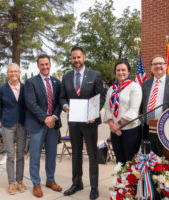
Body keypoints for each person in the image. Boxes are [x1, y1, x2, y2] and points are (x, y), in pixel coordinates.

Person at [60, 46, 105, 200]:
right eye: (73, 57)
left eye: (78, 57)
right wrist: (65, 106)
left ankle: (94, 187)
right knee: (76, 155)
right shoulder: (66, 77)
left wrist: (94, 113)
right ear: (71, 59)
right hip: (74, 123)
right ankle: (76, 183)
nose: (76, 60)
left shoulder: (95, 75)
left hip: (90, 122)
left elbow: (101, 97)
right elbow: (62, 97)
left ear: (84, 57)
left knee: (92, 155)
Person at [24, 54, 62, 198]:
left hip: (53, 125)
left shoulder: (57, 82)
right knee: (35, 155)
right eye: (42, 64)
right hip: (37, 124)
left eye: (47, 64)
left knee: (52, 154)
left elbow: (59, 102)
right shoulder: (31, 82)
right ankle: (36, 183)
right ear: (38, 66)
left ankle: (50, 180)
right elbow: (31, 103)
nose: (45, 67)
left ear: (50, 64)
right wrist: (45, 118)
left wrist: (54, 117)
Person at [104, 58, 142, 164]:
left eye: (123, 70)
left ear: (128, 72)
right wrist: (113, 126)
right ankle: (120, 181)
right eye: (118, 70)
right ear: (115, 72)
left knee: (130, 163)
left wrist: (118, 125)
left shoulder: (134, 87)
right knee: (119, 162)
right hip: (115, 131)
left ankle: (131, 181)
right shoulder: (112, 89)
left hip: (131, 130)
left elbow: (133, 110)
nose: (121, 72)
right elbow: (107, 109)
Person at [0, 63, 26, 195]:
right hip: (7, 125)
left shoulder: (26, 88)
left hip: (22, 125)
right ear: (7, 73)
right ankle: (11, 182)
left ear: (20, 73)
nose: (14, 74)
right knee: (10, 155)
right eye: (11, 71)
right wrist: (3, 121)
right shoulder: (1, 90)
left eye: (16, 71)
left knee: (20, 154)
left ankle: (20, 181)